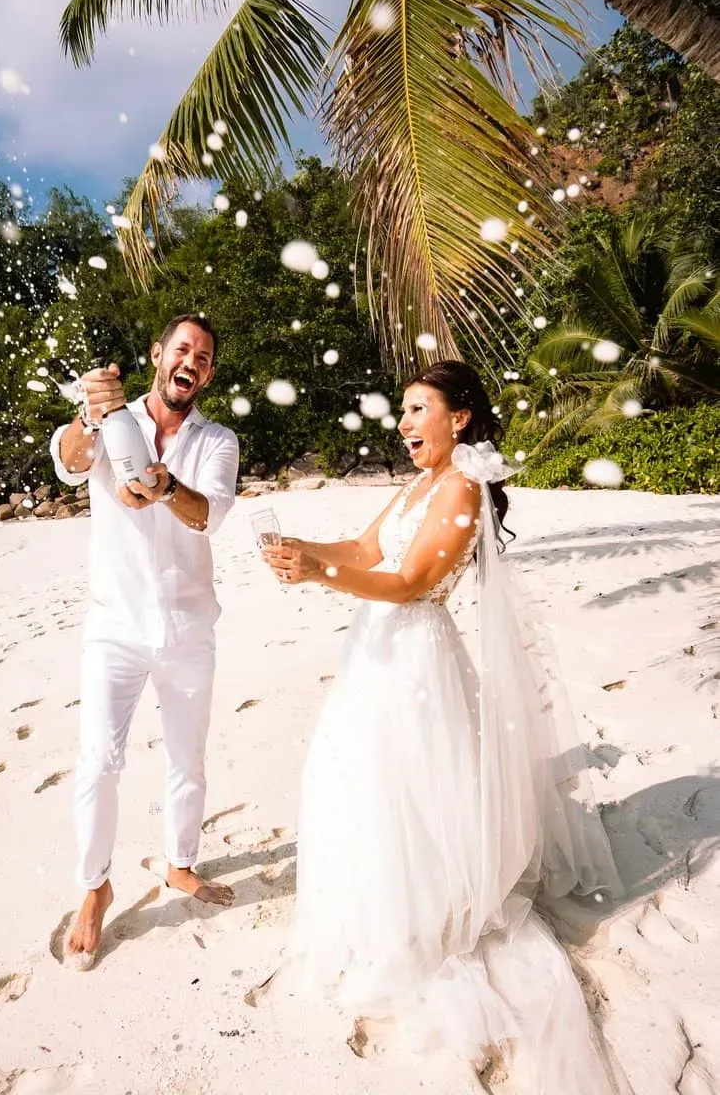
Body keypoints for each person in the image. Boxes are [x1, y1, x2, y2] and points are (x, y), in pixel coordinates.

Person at [261, 361, 626, 1093]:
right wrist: (302, 549)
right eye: (400, 410)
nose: (402, 423)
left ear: (457, 419)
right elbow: (368, 553)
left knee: (410, 790)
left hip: (416, 665)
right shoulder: (419, 485)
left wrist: (317, 575)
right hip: (374, 650)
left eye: (416, 409)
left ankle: (421, 927)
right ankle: (374, 915)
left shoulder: (460, 488)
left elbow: (414, 582)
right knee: (360, 782)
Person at [50, 314, 239, 968]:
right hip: (115, 627)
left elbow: (205, 516)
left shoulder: (218, 440)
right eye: (182, 349)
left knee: (188, 761)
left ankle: (180, 864)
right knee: (99, 761)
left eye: (205, 357)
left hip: (189, 627)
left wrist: (160, 486)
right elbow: (71, 465)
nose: (193, 361)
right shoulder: (111, 419)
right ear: (157, 354)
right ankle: (95, 886)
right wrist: (89, 415)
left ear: (208, 373)